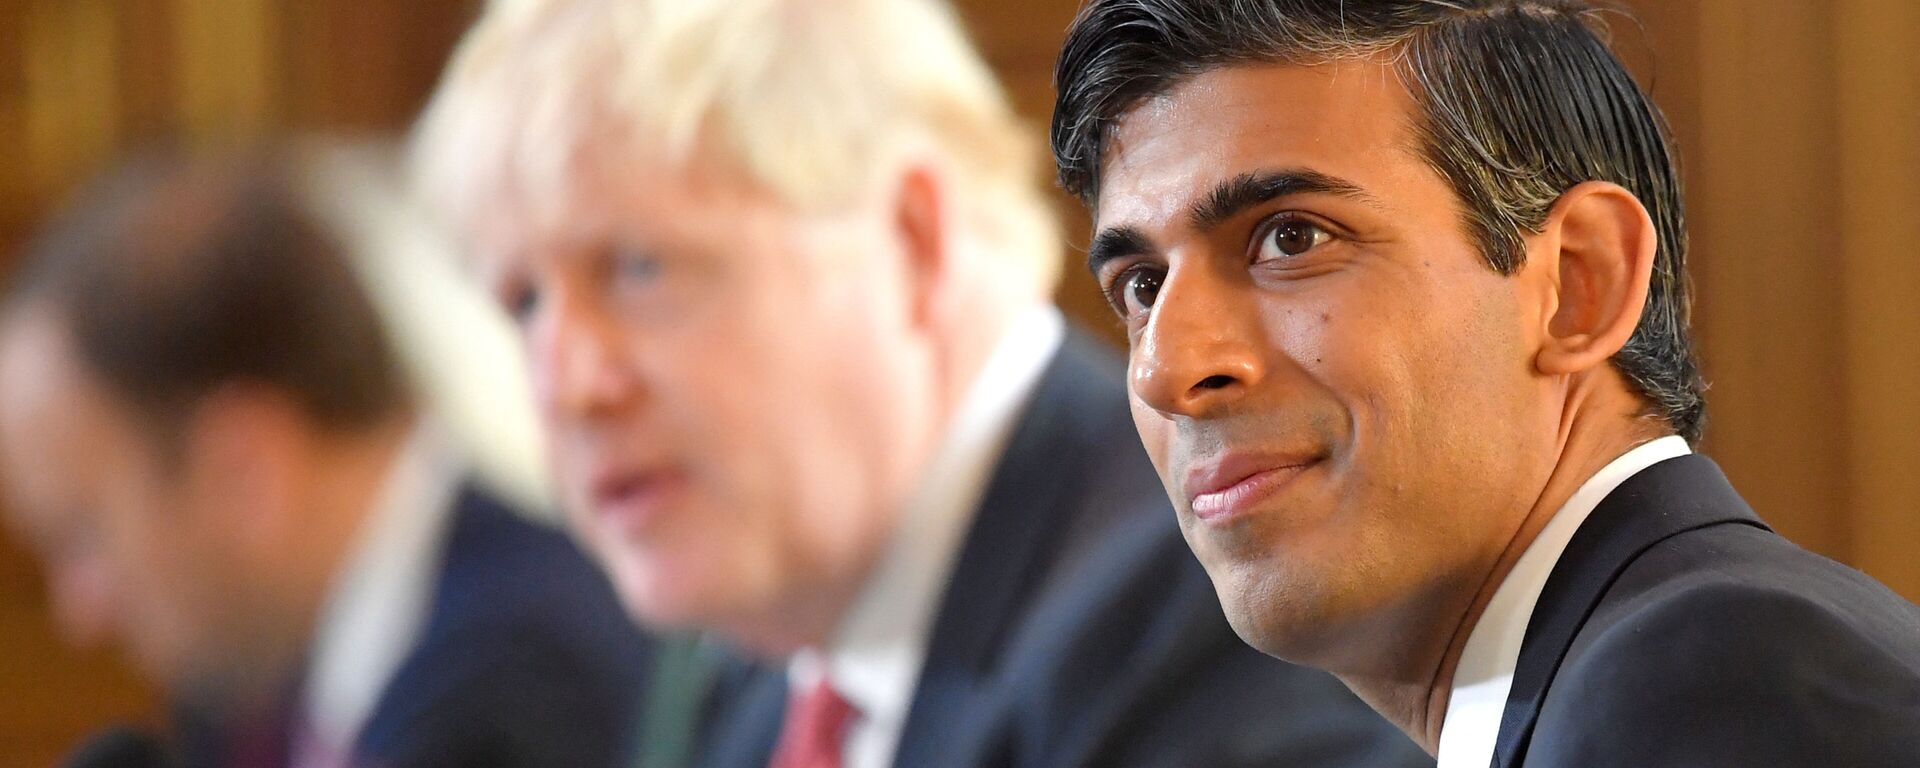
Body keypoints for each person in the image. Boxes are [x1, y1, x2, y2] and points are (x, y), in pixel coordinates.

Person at [411, 1, 1430, 766]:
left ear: (912, 240)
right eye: (523, 303)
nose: (570, 385)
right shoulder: (741, 679)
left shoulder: (1204, 611)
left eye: (640, 268)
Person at [1047, 0, 1920, 766]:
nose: (1167, 369)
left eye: (1292, 238)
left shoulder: (1715, 682)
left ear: (1583, 281)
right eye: (1142, 286)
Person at [0, 146, 652, 768]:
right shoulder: (248, 693)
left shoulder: (521, 683)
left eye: (85, 532)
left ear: (244, 468)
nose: (79, 610)